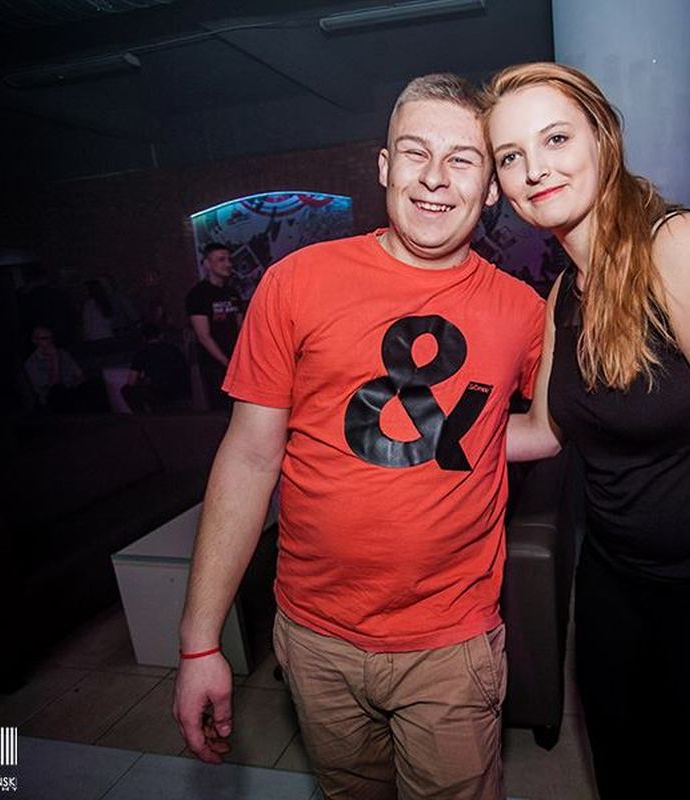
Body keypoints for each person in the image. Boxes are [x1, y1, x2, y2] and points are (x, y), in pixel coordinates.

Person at [173, 73, 545, 800]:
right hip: (316, 639)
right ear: (384, 166)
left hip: (451, 644)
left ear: (492, 189)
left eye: (463, 159)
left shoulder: (523, 311)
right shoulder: (296, 282)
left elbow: (553, 427)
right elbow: (248, 458)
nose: (434, 178)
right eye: (415, 152)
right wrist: (199, 641)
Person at [484, 62, 690, 798]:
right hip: (612, 584)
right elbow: (545, 430)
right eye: (511, 156)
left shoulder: (682, 249)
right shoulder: (564, 292)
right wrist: (424, 432)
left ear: (602, 137)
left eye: (555, 139)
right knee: (623, 781)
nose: (535, 170)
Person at [185, 243, 243, 410]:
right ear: (207, 264)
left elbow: (241, 328)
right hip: (215, 365)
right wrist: (227, 363)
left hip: (237, 362)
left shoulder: (232, 292)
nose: (228, 264)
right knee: (222, 410)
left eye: (229, 259)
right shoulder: (198, 294)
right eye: (221, 260)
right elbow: (203, 336)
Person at [121, 323, 190, 413]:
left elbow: (131, 382)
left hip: (161, 393)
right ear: (161, 335)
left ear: (143, 338)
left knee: (126, 390)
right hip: (182, 391)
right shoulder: (174, 349)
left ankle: (142, 416)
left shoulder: (142, 353)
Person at [23, 325, 87, 410]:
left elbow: (80, 374)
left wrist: (77, 383)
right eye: (44, 338)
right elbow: (52, 386)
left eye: (50, 338)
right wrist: (55, 359)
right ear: (35, 340)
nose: (49, 341)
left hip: (71, 390)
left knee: (92, 385)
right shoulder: (32, 363)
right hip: (51, 397)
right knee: (58, 391)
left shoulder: (63, 353)